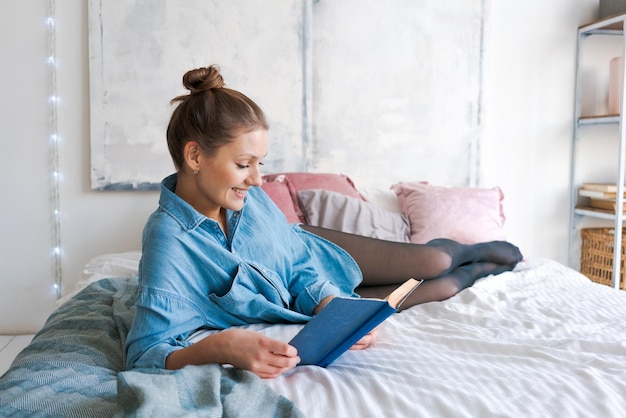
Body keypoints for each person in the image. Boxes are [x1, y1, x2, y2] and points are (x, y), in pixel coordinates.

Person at [125, 65, 523, 379]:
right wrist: (223, 347)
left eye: (259, 164)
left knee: (434, 263)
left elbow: (297, 264)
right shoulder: (169, 240)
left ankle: (474, 249)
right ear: (195, 157)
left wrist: (328, 299)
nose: (258, 180)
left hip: (311, 251)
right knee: (440, 288)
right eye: (243, 165)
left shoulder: (252, 200)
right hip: (295, 307)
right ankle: (481, 271)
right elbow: (145, 354)